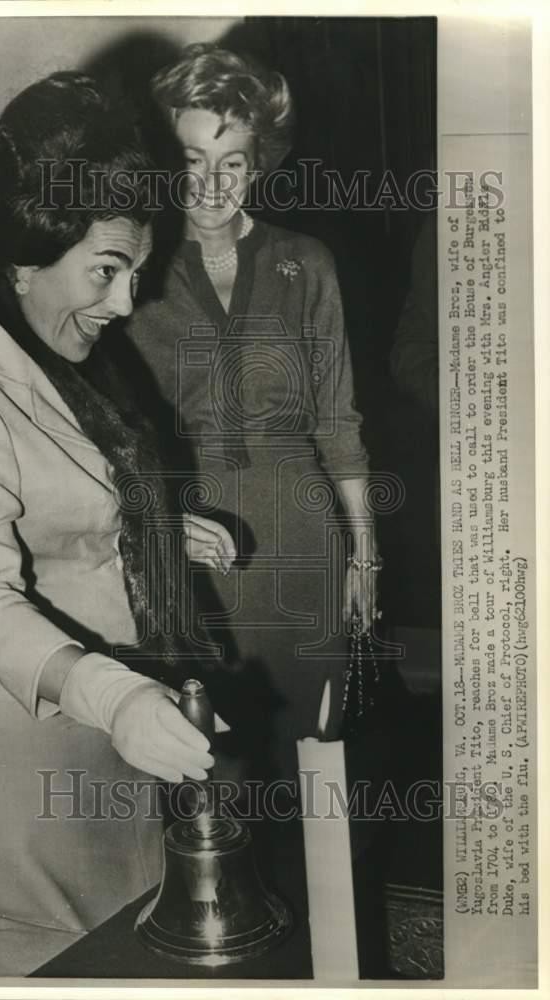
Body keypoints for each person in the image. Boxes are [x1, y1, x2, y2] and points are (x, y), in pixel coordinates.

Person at [0, 72, 235, 952]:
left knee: (110, 927)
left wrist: (148, 531)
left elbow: (68, 478)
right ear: (31, 251)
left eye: (134, 273)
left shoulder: (28, 326)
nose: (125, 303)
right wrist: (115, 697)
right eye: (107, 272)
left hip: (81, 684)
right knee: (29, 946)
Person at [122, 45, 381, 771]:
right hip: (192, 542)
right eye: (191, 160)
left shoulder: (308, 263)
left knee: (319, 754)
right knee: (213, 761)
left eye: (231, 162)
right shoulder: (129, 272)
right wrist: (158, 525)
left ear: (258, 162)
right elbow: (104, 433)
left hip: (305, 538)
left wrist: (365, 554)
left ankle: (321, 854)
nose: (211, 184)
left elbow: (340, 423)